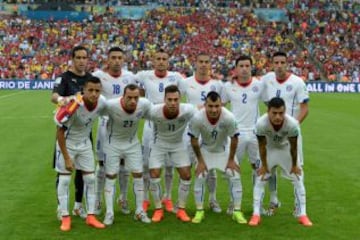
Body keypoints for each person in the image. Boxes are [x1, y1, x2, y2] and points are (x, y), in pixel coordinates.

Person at [135, 49, 186, 213]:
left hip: (170, 126)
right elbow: (128, 80)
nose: (161, 61)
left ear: (168, 61)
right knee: (146, 163)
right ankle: (145, 199)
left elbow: (183, 94)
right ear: (153, 60)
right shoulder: (144, 75)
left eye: (164, 58)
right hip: (151, 126)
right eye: (158, 58)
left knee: (170, 165)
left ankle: (168, 197)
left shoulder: (176, 77)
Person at [248, 97, 312, 227]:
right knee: (260, 178)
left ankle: (303, 214)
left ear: (285, 111)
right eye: (274, 113)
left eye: (281, 113)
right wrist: (264, 166)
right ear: (268, 111)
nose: (278, 117)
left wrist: (294, 165)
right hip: (269, 149)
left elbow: (294, 147)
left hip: (286, 149)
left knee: (298, 178)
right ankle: (256, 214)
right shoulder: (261, 123)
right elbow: (261, 146)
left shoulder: (292, 124)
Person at [54, 76, 106, 231]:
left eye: (97, 90)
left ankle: (91, 216)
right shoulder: (74, 105)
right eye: (90, 90)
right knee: (64, 181)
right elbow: (60, 133)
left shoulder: (102, 102)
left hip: (85, 144)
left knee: (90, 179)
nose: (94, 94)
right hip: (67, 145)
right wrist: (67, 158)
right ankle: (65, 217)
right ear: (83, 90)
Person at [261, 51, 309, 216]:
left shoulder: (297, 82)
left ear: (287, 63)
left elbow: (305, 109)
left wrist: (293, 126)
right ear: (272, 64)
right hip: (271, 133)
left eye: (282, 62)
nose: (279, 66)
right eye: (276, 62)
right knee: (269, 168)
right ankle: (274, 201)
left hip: (291, 134)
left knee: (296, 168)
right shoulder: (267, 79)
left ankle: (299, 206)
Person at [188, 91, 247, 224]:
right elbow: (194, 140)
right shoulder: (197, 118)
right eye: (210, 106)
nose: (214, 109)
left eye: (217, 106)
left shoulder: (229, 117)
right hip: (205, 150)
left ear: (221, 105)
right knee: (200, 176)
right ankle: (199, 211)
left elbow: (234, 138)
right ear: (205, 105)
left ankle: (237, 211)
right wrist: (200, 161)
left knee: (235, 176)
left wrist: (231, 160)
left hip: (223, 151)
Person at [92, 47, 136, 215]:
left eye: (120, 57)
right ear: (108, 60)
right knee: (102, 165)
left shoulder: (130, 77)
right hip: (105, 124)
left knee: (124, 165)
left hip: (125, 126)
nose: (117, 60)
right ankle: (97, 200)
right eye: (114, 57)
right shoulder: (98, 77)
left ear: (123, 60)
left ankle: (123, 198)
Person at [51, 45, 93, 220]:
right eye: (79, 58)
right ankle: (62, 208)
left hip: (85, 132)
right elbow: (53, 97)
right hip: (66, 133)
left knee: (84, 172)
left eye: (85, 58)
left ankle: (78, 206)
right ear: (73, 59)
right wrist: (65, 100)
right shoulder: (64, 78)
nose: (82, 61)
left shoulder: (91, 79)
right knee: (64, 173)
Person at [102, 84, 152, 225]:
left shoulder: (145, 104)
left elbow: (155, 114)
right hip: (113, 144)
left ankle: (139, 211)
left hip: (132, 143)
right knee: (111, 176)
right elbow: (94, 111)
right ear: (123, 97)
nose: (133, 101)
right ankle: (109, 213)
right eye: (129, 97)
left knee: (138, 175)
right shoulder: (111, 105)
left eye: (136, 97)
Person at [222, 55, 266, 215]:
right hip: (235, 134)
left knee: (259, 168)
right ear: (236, 68)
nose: (245, 68)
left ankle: (258, 204)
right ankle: (233, 202)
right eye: (241, 65)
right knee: (232, 168)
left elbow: (270, 104)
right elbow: (220, 106)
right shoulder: (228, 86)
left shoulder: (259, 85)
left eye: (247, 65)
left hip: (255, 133)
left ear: (251, 67)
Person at [183, 52, 224, 213]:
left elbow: (223, 103)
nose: (203, 64)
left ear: (210, 64)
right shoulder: (186, 82)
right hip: (190, 131)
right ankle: (182, 203)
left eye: (207, 61)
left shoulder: (218, 85)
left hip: (210, 131)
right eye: (201, 61)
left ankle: (213, 199)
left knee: (211, 168)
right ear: (196, 63)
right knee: (185, 166)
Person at [148, 85, 195, 222]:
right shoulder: (154, 111)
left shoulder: (188, 110)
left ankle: (181, 209)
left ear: (180, 99)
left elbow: (201, 116)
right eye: (170, 100)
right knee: (154, 173)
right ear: (164, 99)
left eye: (176, 99)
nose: (173, 103)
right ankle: (158, 209)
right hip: (158, 144)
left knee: (186, 175)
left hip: (178, 144)